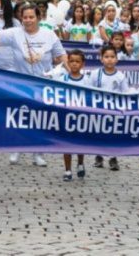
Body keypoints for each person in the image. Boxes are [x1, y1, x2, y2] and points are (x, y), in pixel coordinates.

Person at [0, 4, 67, 166]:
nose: (28, 20)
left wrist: (74, 75)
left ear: (38, 18)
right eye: (25, 17)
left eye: (31, 17)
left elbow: (62, 55)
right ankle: (16, 148)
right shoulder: (14, 33)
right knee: (20, 117)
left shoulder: (49, 34)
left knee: (41, 119)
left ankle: (38, 153)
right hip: (21, 83)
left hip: (44, 84)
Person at [51, 50, 89, 181]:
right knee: (66, 145)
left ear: (82, 64)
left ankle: (80, 163)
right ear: (68, 63)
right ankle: (67, 170)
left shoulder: (87, 81)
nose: (74, 64)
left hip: (82, 118)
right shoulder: (62, 80)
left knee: (80, 144)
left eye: (77, 61)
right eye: (71, 61)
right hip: (66, 118)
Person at [92, 45, 131, 171]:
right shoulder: (95, 74)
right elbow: (88, 90)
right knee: (99, 133)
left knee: (113, 134)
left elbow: (125, 92)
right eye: (106, 57)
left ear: (116, 59)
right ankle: (98, 156)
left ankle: (113, 158)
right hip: (99, 109)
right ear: (101, 59)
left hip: (115, 110)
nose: (109, 59)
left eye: (112, 57)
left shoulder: (120, 76)